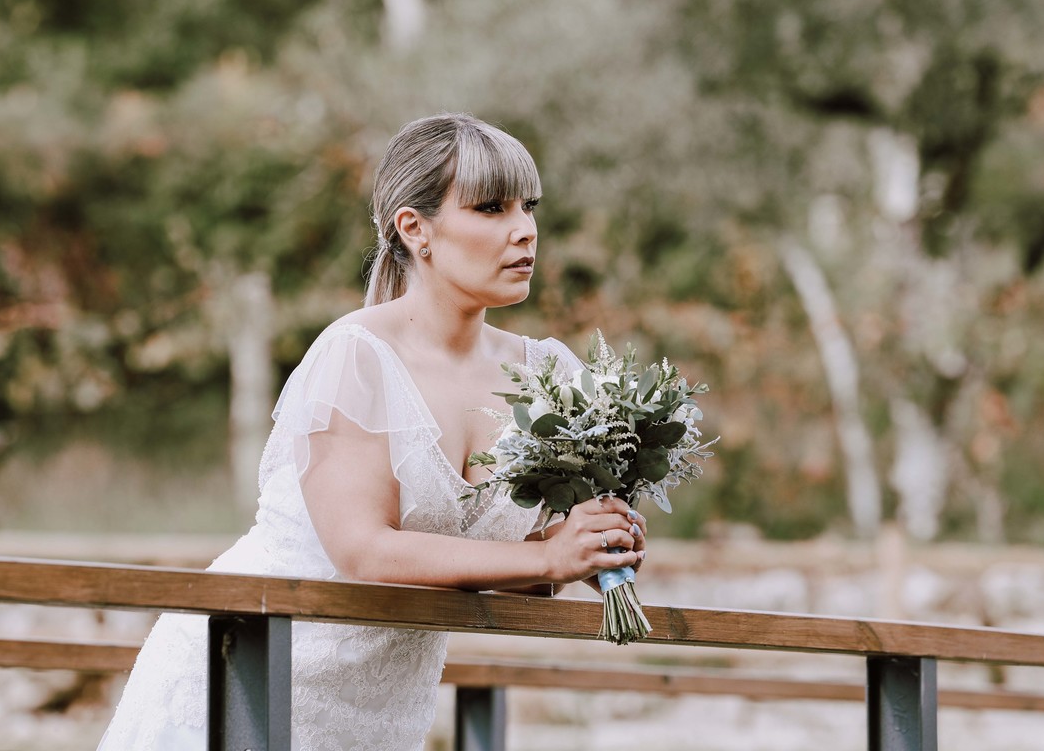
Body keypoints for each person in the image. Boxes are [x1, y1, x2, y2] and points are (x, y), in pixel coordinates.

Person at [97, 113, 647, 751]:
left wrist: (586, 547)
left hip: (381, 709)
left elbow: (504, 568)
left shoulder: (546, 374)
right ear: (415, 229)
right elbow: (364, 552)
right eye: (491, 208)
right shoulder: (356, 355)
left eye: (529, 207)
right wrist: (546, 556)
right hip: (254, 668)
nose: (524, 230)